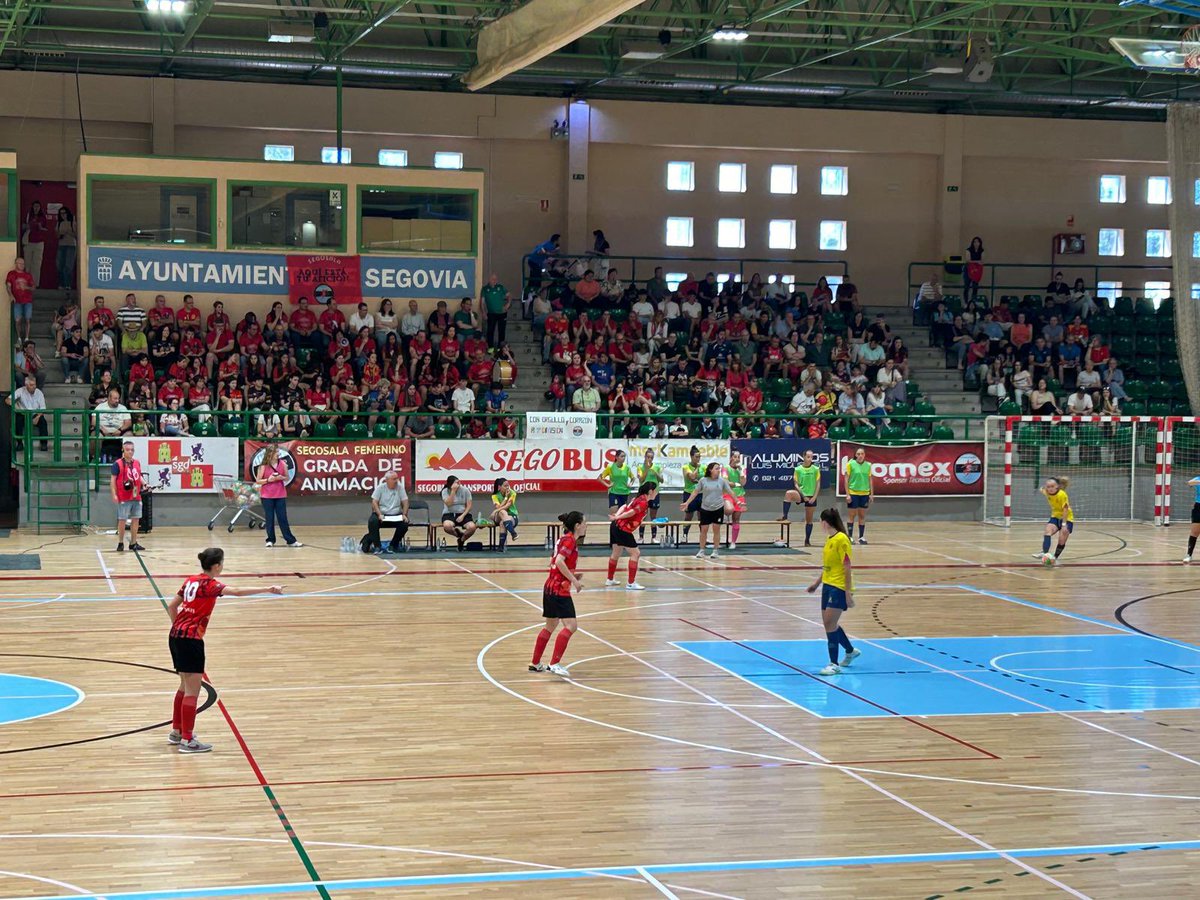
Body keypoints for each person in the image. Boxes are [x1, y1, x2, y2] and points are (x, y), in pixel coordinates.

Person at [167, 548, 283, 753]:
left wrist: (179, 626)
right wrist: (268, 588)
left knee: (184, 686)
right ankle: (187, 740)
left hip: (175, 636)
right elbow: (236, 592)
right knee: (192, 691)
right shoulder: (210, 585)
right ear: (217, 566)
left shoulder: (190, 580)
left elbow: (172, 606)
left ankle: (177, 732)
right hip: (191, 640)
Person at [805, 507, 861, 676]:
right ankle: (850, 651)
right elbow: (828, 567)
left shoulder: (841, 539)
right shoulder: (829, 540)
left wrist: (847, 592)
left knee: (829, 624)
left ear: (825, 522)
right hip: (828, 586)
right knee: (830, 624)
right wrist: (816, 584)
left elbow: (846, 566)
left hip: (839, 587)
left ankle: (833, 663)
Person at [530, 511, 586, 677]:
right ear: (577, 525)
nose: (586, 526)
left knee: (550, 626)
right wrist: (574, 581)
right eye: (584, 523)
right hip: (558, 590)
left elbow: (554, 563)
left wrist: (571, 575)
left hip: (550, 586)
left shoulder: (563, 539)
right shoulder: (569, 541)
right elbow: (559, 561)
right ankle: (554, 664)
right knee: (571, 626)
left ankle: (535, 663)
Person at [607, 482, 653, 591]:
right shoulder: (643, 503)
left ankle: (609, 579)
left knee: (616, 553)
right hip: (623, 528)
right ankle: (631, 583)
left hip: (616, 525)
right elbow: (630, 513)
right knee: (636, 553)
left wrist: (617, 516)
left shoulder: (636, 499)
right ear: (651, 491)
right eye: (655, 490)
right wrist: (617, 517)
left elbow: (623, 506)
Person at [682, 462, 733, 560]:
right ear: (711, 470)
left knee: (716, 530)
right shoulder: (703, 480)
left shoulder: (722, 481)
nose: (719, 470)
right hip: (705, 508)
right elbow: (695, 492)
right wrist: (687, 503)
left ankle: (715, 551)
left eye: (719, 468)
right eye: (716, 468)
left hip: (718, 508)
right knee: (704, 530)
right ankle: (701, 550)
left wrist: (737, 501)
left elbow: (730, 492)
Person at [256, 445, 301, 548]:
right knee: (269, 518)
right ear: (270, 454)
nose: (278, 454)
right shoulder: (263, 466)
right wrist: (268, 480)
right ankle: (270, 540)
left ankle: (290, 540)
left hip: (280, 494)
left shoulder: (283, 464)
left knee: (282, 518)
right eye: (276, 452)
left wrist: (281, 477)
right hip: (267, 495)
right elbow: (258, 480)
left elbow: (287, 477)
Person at [780, 449, 822, 546]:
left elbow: (818, 484)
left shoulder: (816, 469)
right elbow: (796, 484)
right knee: (789, 493)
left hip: (811, 496)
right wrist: (804, 496)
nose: (810, 459)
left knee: (809, 520)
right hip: (802, 494)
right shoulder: (798, 469)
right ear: (803, 457)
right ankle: (785, 516)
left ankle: (807, 540)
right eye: (808, 457)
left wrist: (814, 497)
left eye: (812, 457)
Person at [110, 440, 146, 552]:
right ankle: (120, 543)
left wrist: (145, 483)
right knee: (122, 520)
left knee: (136, 519)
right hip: (124, 497)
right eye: (127, 450)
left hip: (136, 496)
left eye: (132, 450)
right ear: (123, 450)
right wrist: (114, 494)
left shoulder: (137, 463)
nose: (130, 452)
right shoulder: (118, 464)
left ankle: (133, 543)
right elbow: (112, 481)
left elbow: (138, 476)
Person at [366, 471, 410, 554]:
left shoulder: (400, 488)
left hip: (396, 514)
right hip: (382, 514)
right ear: (387, 480)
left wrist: (404, 514)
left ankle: (393, 545)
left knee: (405, 524)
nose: (396, 480)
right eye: (394, 479)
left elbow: (405, 502)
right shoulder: (380, 488)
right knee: (372, 521)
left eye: (397, 478)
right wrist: (379, 514)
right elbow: (374, 502)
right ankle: (377, 546)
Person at [6, 374, 48, 451]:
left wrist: (37, 417)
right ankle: (19, 444)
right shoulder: (21, 391)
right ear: (26, 385)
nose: (34, 387)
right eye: (31, 385)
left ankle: (44, 444)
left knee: (43, 422)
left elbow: (43, 408)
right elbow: (7, 400)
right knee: (18, 421)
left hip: (35, 414)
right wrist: (16, 407)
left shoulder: (39, 392)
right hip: (23, 414)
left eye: (34, 384)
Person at [1039, 476, 1074, 566]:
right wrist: (1043, 488)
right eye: (1048, 487)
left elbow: (1065, 510)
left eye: (1052, 486)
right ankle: (1045, 554)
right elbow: (1041, 489)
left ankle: (1055, 557)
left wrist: (1064, 524)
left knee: (1062, 540)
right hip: (1055, 517)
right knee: (1047, 531)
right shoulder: (1046, 492)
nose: (1050, 489)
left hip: (1066, 518)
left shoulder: (1062, 495)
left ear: (1057, 486)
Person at [844, 446, 872, 545]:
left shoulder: (868, 465)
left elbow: (870, 480)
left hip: (864, 493)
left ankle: (861, 537)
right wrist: (848, 494)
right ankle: (850, 537)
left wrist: (871, 494)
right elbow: (846, 480)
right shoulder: (850, 464)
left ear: (864, 455)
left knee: (862, 515)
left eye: (862, 454)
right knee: (852, 515)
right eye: (858, 454)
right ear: (855, 455)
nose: (860, 456)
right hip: (853, 493)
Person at [441, 475, 477, 550]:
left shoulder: (465, 490)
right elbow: (449, 504)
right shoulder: (445, 491)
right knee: (447, 526)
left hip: (463, 514)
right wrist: (453, 491)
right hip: (449, 514)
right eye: (456, 483)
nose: (458, 484)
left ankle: (461, 540)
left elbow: (469, 506)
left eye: (459, 482)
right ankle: (459, 535)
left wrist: (463, 516)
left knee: (472, 527)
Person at [635, 448, 664, 542]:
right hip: (644, 494)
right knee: (643, 515)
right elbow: (641, 480)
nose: (649, 459)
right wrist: (647, 469)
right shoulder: (640, 467)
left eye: (651, 457)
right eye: (648, 457)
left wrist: (656, 473)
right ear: (645, 457)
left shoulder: (657, 467)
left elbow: (662, 480)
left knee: (653, 516)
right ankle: (641, 537)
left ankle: (654, 537)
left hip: (654, 493)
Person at [6, 256, 35, 344]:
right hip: (17, 301)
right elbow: (8, 286)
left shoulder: (28, 275)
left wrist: (27, 287)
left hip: (27, 301)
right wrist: (11, 295)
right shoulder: (11, 274)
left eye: (23, 263)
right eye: (20, 263)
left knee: (27, 319)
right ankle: (19, 337)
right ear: (16, 264)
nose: (22, 265)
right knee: (17, 320)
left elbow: (33, 287)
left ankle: (26, 337)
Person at [723, 449, 748, 550]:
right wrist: (736, 484)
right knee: (729, 510)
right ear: (731, 458)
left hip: (740, 495)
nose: (737, 459)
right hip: (728, 494)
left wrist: (741, 470)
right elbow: (725, 482)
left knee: (736, 520)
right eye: (735, 457)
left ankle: (733, 542)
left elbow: (743, 483)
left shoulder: (742, 469)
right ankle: (724, 515)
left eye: (738, 457)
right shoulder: (725, 468)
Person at [21, 200, 48, 289]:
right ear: (32, 207)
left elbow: (44, 228)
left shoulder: (43, 217)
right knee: (27, 264)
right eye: (35, 206)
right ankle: (27, 282)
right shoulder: (28, 215)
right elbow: (24, 226)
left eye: (38, 206)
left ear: (40, 208)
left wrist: (37, 226)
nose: (36, 208)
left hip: (39, 243)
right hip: (28, 242)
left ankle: (35, 284)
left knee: (37, 264)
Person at [489, 477, 520, 551]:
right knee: (502, 512)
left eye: (508, 486)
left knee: (502, 523)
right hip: (499, 516)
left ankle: (501, 547)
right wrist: (505, 498)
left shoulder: (512, 493)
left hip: (511, 516)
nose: (507, 487)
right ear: (499, 487)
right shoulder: (495, 495)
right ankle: (513, 533)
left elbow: (507, 506)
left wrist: (494, 511)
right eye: (505, 486)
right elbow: (499, 507)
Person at [481, 273, 511, 347]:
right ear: (489, 279)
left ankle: (500, 348)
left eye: (495, 279)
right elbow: (482, 302)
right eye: (493, 279)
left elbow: (509, 295)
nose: (494, 281)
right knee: (490, 331)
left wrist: (508, 304)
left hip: (502, 313)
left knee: (501, 331)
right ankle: (490, 347)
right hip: (491, 313)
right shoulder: (485, 289)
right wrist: (484, 313)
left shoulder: (500, 287)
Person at [680, 445, 703, 543]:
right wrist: (697, 468)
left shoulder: (704, 467)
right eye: (696, 457)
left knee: (702, 516)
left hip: (701, 494)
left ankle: (703, 536)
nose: (698, 459)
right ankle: (684, 535)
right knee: (688, 516)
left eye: (699, 457)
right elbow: (692, 477)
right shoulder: (686, 467)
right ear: (691, 456)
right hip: (689, 494)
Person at [56, 206, 77, 291]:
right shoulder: (59, 223)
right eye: (61, 213)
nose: (63, 215)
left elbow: (77, 235)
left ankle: (68, 284)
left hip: (71, 245)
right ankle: (61, 284)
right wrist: (61, 234)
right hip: (61, 244)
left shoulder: (73, 222)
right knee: (59, 265)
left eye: (64, 213)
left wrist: (69, 232)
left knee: (68, 266)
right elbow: (56, 235)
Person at [1184, 475, 1200, 563]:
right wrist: (1198, 482)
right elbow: (1189, 483)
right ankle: (1189, 554)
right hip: (1198, 507)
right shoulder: (1198, 479)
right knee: (1195, 532)